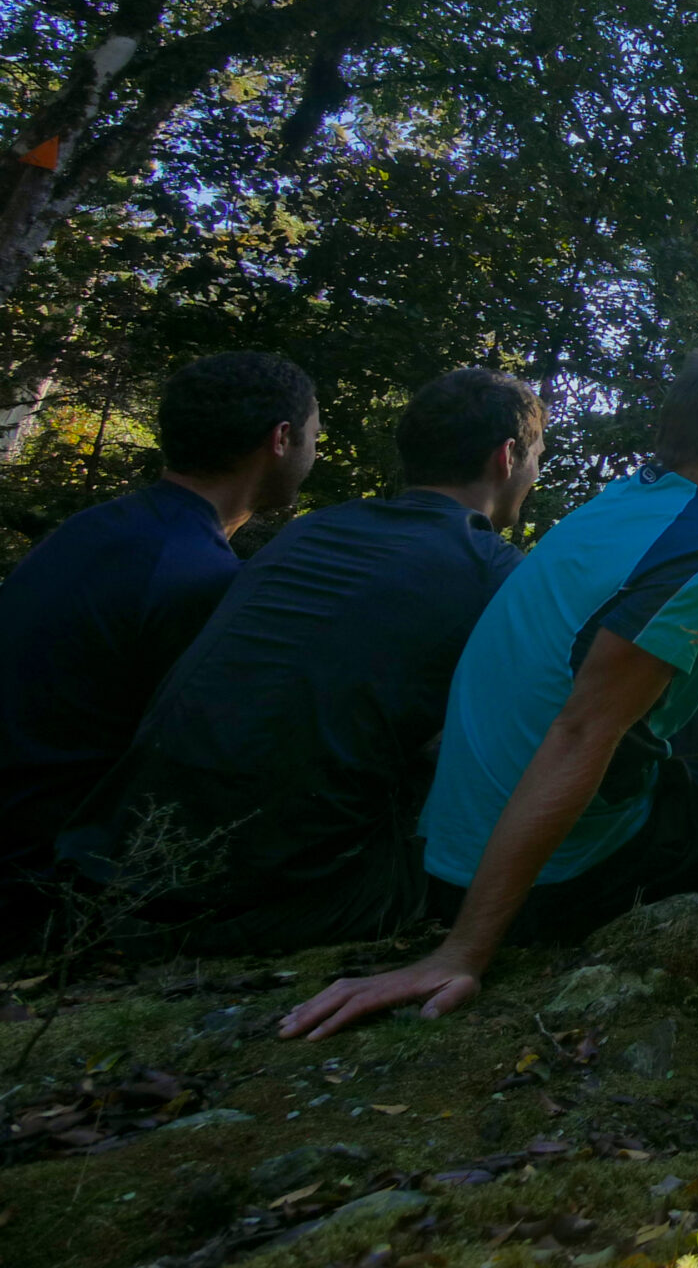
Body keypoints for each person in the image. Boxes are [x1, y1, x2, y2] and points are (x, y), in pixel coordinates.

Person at [280, 350, 698, 1040]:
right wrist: (464, 952)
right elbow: (582, 733)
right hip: (553, 876)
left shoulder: (628, 502)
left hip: (449, 842)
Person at [59, 368, 545, 953]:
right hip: (280, 902)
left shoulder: (314, 531)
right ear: (508, 455)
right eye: (537, 455)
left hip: (115, 866)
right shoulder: (493, 570)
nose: (535, 475)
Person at [0, 352, 319, 906]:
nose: (314, 451)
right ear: (281, 438)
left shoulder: (97, 529)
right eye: (315, 435)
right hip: (42, 879)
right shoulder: (193, 575)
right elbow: (220, 756)